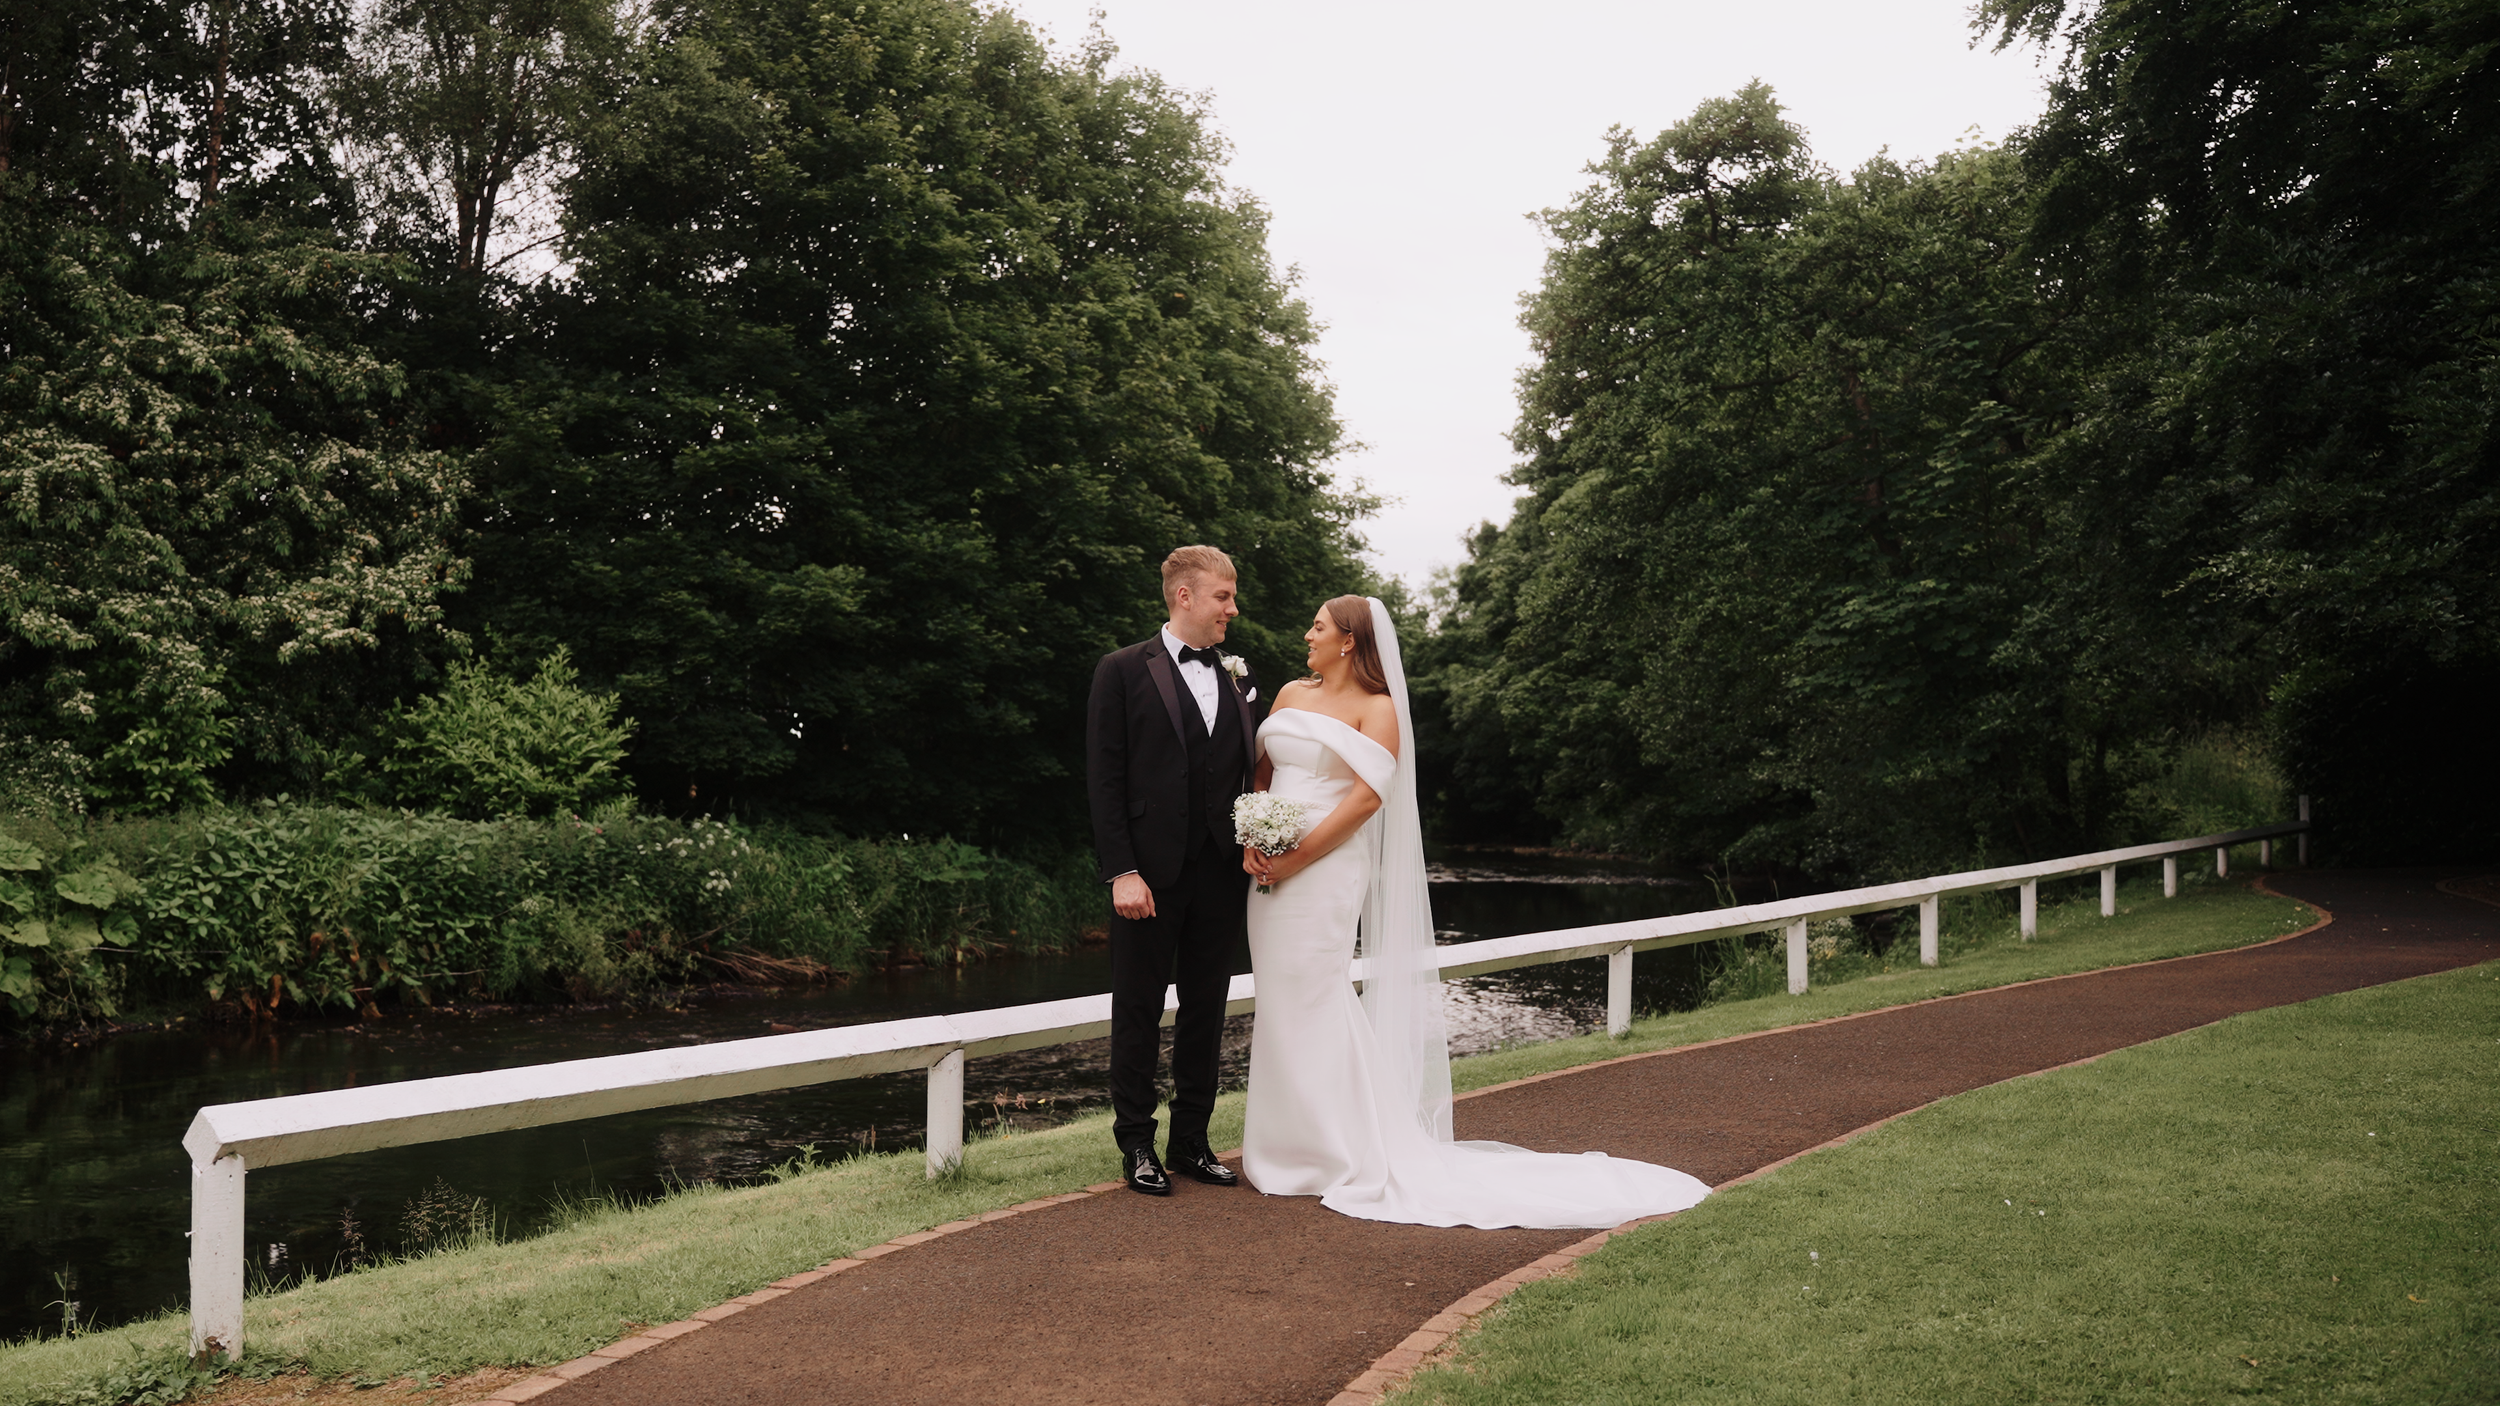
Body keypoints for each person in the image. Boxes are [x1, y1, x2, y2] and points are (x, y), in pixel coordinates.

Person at [1238, 595, 1711, 1227]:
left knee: (1317, 992)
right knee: (1280, 996)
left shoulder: (1379, 709)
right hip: (1270, 867)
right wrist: (1256, 836)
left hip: (1326, 868)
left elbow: (1366, 800)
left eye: (1317, 627)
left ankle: (1336, 1151)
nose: (1307, 634)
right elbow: (1262, 773)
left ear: (1348, 641)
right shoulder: (1289, 695)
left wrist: (1297, 857)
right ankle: (1288, 1145)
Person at [1084, 545, 1262, 1195]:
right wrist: (1122, 871)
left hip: (1221, 871)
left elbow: (1247, 770)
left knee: (1206, 1010)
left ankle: (1191, 1141)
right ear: (1185, 596)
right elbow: (1104, 779)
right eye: (1223, 597)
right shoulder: (1122, 669)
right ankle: (1136, 1143)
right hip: (1149, 875)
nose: (1232, 609)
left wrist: (1256, 839)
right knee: (1137, 1009)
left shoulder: (1240, 675)